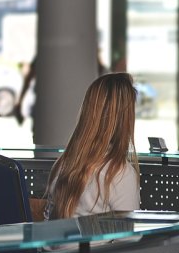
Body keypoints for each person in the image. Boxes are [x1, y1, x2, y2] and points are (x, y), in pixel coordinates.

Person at [44, 73, 140, 220]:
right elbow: (128, 239)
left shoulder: (63, 163)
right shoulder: (120, 174)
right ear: (125, 118)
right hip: (101, 244)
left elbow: (48, 224)